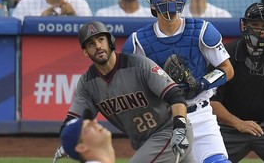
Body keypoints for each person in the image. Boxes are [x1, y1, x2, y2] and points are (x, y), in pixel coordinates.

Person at [122, 0, 234, 163]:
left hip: (200, 115)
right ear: (152, 4)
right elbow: (130, 85)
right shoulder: (137, 42)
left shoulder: (202, 30)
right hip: (163, 120)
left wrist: (202, 84)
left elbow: (227, 69)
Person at [54, 20, 195, 162]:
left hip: (169, 131)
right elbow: (73, 120)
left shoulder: (140, 65)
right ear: (85, 52)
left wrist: (179, 128)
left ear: (110, 42)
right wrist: (66, 141)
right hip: (143, 142)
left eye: (101, 39)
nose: (98, 46)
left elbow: (176, 97)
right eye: (91, 43)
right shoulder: (87, 83)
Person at [210, 2, 264, 163]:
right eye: (255, 25)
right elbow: (211, 101)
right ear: (244, 25)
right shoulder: (224, 55)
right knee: (207, 158)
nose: (261, 30)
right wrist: (238, 123)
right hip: (228, 127)